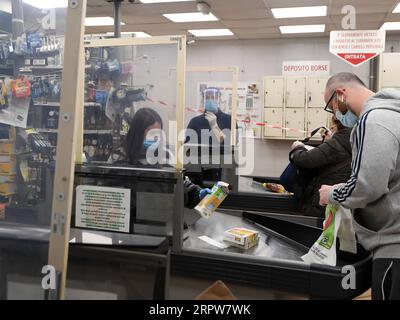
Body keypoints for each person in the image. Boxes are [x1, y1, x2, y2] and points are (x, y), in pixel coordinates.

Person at [318, 72, 400, 300]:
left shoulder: (373, 120)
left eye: (331, 105)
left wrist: (331, 194)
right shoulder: (394, 114)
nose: (334, 113)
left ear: (341, 94)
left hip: (394, 246)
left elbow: (368, 185)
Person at [122, 108, 214, 209]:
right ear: (137, 133)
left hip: (164, 218)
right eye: (151, 134)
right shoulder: (120, 156)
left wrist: (197, 193)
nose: (155, 139)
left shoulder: (165, 156)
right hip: (130, 220)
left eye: (158, 134)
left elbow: (179, 183)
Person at [290, 116, 352, 217]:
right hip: (342, 202)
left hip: (324, 202)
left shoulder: (338, 142)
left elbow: (305, 159)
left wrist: (297, 148)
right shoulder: (356, 139)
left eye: (333, 127)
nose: (331, 128)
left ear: (339, 126)